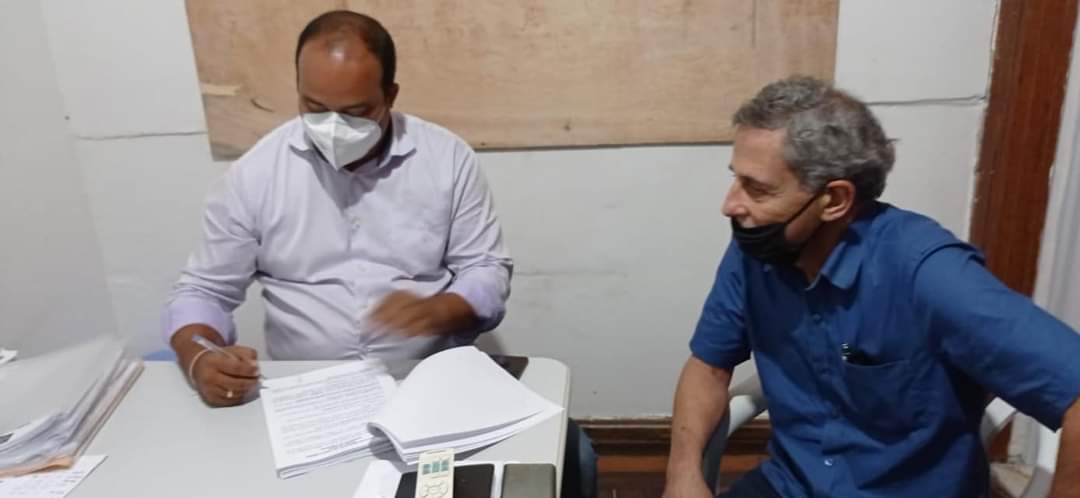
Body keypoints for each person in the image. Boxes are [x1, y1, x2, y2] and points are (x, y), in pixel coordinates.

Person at [161, 11, 595, 497]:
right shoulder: (255, 175)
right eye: (314, 107)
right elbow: (202, 292)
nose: (333, 127)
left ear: (390, 95)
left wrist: (445, 309)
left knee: (568, 459)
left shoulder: (445, 158)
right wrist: (198, 356)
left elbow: (486, 268)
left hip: (427, 381)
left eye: (356, 112)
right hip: (309, 394)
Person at [662, 76, 1080, 498]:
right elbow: (708, 366)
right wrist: (683, 473)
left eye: (757, 189)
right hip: (792, 484)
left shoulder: (930, 274)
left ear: (835, 200)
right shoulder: (756, 253)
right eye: (736, 179)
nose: (730, 205)